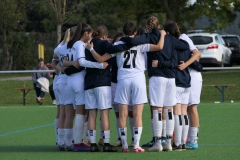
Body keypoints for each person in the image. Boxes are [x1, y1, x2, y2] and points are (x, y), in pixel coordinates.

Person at [86, 21, 165, 153]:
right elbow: (159, 46)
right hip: (138, 79)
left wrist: (91, 49)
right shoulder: (141, 43)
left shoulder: (116, 44)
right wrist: (162, 34)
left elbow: (100, 59)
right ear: (135, 33)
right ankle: (137, 145)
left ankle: (124, 145)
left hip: (122, 80)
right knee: (137, 114)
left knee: (122, 115)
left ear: (122, 33)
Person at [120, 16, 190, 152]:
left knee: (157, 109)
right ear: (159, 26)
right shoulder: (169, 37)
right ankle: (168, 142)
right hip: (171, 78)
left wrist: (123, 40)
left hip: (157, 77)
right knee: (169, 110)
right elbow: (185, 46)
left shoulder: (148, 37)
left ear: (147, 27)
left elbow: (133, 41)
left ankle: (158, 143)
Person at [63, 23, 109, 152]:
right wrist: (99, 65)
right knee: (81, 114)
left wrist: (69, 65)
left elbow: (64, 60)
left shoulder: (71, 45)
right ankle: (78, 143)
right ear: (86, 34)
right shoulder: (80, 45)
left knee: (79, 113)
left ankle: (75, 141)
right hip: (78, 80)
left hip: (71, 80)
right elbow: (82, 62)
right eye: (90, 34)